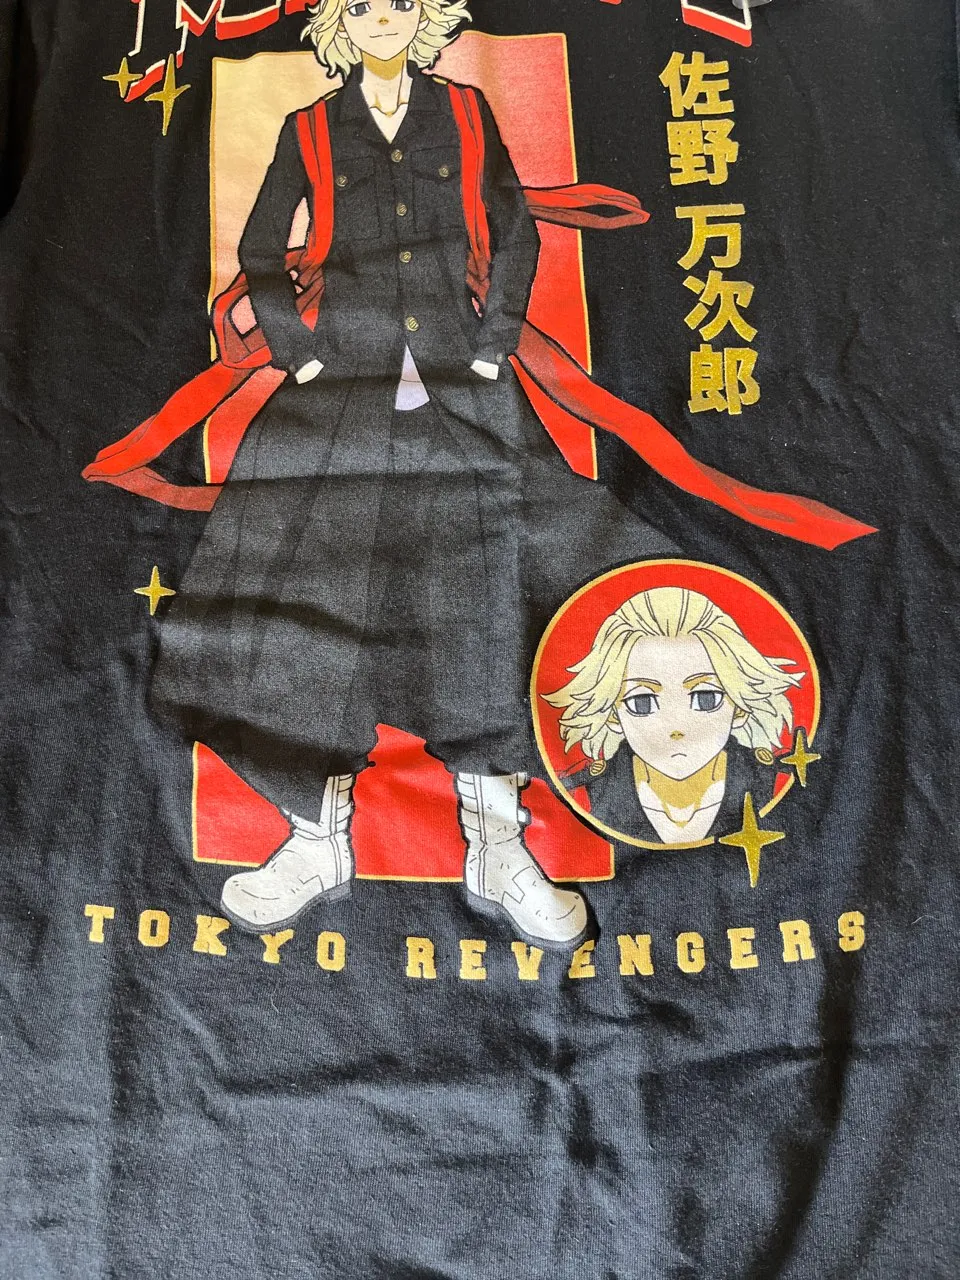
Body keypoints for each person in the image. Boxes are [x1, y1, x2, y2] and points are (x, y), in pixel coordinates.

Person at [148, 0, 677, 945]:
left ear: (426, 17)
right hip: (333, 396)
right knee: (308, 599)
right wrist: (301, 351)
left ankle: (497, 842)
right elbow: (262, 246)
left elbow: (514, 230)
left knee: (486, 596)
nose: (381, 19)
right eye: (360, 7)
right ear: (339, 25)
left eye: (398, 4)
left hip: (462, 391)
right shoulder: (311, 126)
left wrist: (493, 345)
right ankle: (316, 836)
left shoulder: (466, 110)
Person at [544, 586, 804, 845]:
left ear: (740, 706)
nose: (676, 727)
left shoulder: (778, 780)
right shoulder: (582, 794)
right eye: (642, 703)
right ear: (612, 714)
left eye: (706, 698)